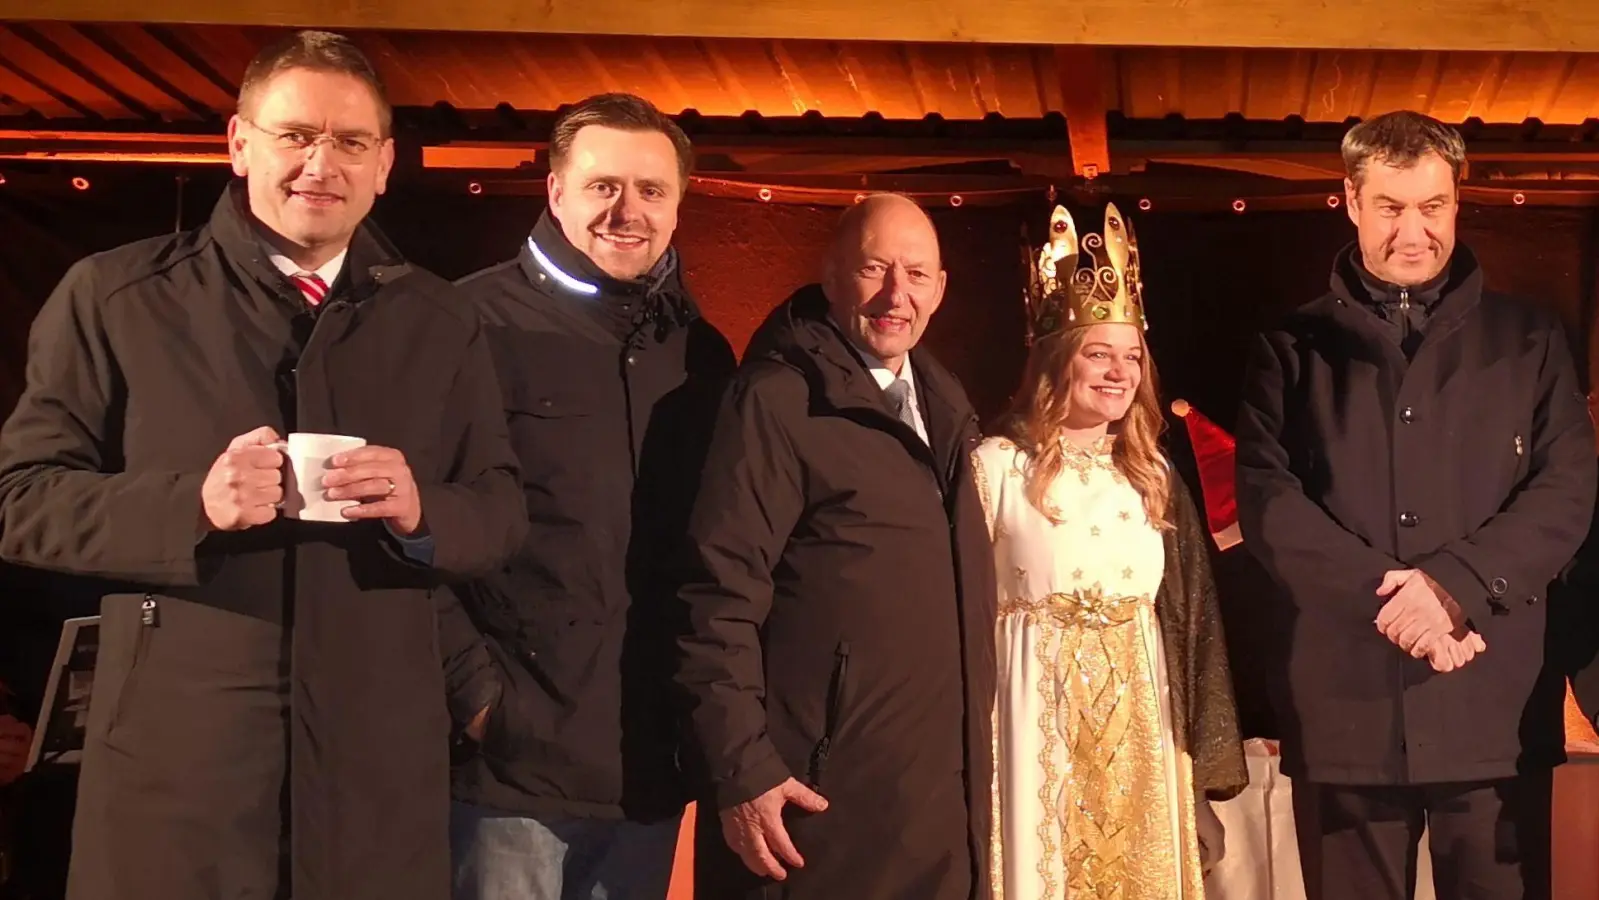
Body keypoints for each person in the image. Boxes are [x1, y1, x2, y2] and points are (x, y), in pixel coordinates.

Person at [0, 30, 526, 900]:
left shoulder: (439, 319)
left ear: (385, 163)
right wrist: (191, 506)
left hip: (373, 774)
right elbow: (20, 500)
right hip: (183, 774)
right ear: (239, 144)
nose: (322, 163)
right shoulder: (117, 297)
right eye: (296, 135)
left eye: (351, 142)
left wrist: (420, 508)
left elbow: (502, 509)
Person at [1235, 109, 1597, 900]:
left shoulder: (1528, 339)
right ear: (1351, 201)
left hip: (1492, 709)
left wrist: (1451, 589)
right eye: (1391, 206)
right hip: (1343, 715)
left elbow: (1566, 490)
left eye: (1431, 206)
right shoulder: (1289, 349)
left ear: (1456, 202)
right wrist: (1400, 605)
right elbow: (1267, 503)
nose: (1413, 230)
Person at [447, 92, 736, 899]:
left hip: (647, 765)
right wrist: (476, 699)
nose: (626, 211)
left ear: (678, 206)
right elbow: (404, 527)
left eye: (651, 191)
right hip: (507, 779)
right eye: (603, 185)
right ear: (555, 192)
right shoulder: (466, 323)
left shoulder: (699, 350)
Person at [675, 193, 998, 900]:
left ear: (941, 288)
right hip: (810, 816)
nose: (895, 294)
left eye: (916, 274)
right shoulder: (778, 401)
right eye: (874, 269)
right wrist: (742, 768)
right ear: (829, 275)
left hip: (934, 816)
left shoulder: (948, 413)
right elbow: (716, 592)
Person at [974, 203, 1247, 899]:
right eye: (1098, 353)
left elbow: (1194, 628)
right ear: (1057, 358)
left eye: (1131, 357)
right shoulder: (996, 468)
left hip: (1140, 731)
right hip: (1036, 723)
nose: (1117, 372)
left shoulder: (1151, 480)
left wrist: (1199, 784)